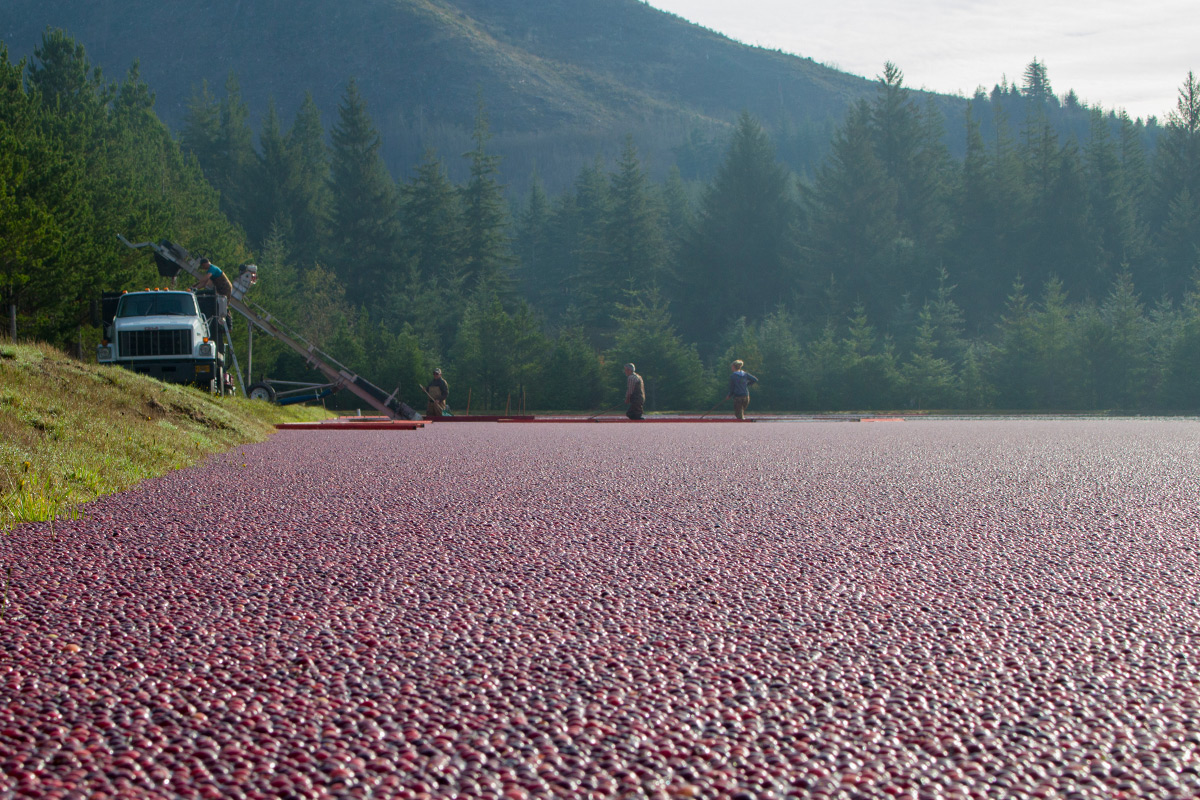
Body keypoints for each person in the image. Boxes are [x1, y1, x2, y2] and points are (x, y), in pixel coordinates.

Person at [194, 258, 234, 324]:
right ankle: (219, 321)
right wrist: (196, 288)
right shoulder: (209, 271)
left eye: (203, 266)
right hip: (220, 289)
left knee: (224, 305)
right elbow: (204, 284)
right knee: (218, 304)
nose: (203, 268)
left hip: (225, 288)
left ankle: (228, 323)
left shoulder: (212, 269)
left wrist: (198, 282)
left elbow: (206, 277)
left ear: (206, 264)